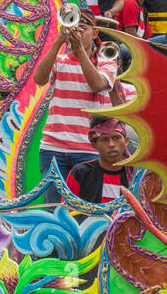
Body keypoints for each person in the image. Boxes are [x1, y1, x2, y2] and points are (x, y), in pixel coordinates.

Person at [32, 11, 120, 183]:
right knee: (53, 207)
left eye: (82, 28)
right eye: (73, 28)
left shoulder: (107, 63)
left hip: (88, 149)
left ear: (95, 33)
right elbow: (39, 79)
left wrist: (80, 51)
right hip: (53, 148)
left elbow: (97, 84)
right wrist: (59, 41)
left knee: (84, 208)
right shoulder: (59, 61)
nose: (77, 33)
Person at [66, 116, 133, 204]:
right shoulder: (80, 173)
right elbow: (66, 210)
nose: (111, 144)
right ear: (94, 145)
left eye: (116, 138)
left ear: (126, 141)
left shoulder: (137, 175)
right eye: (104, 139)